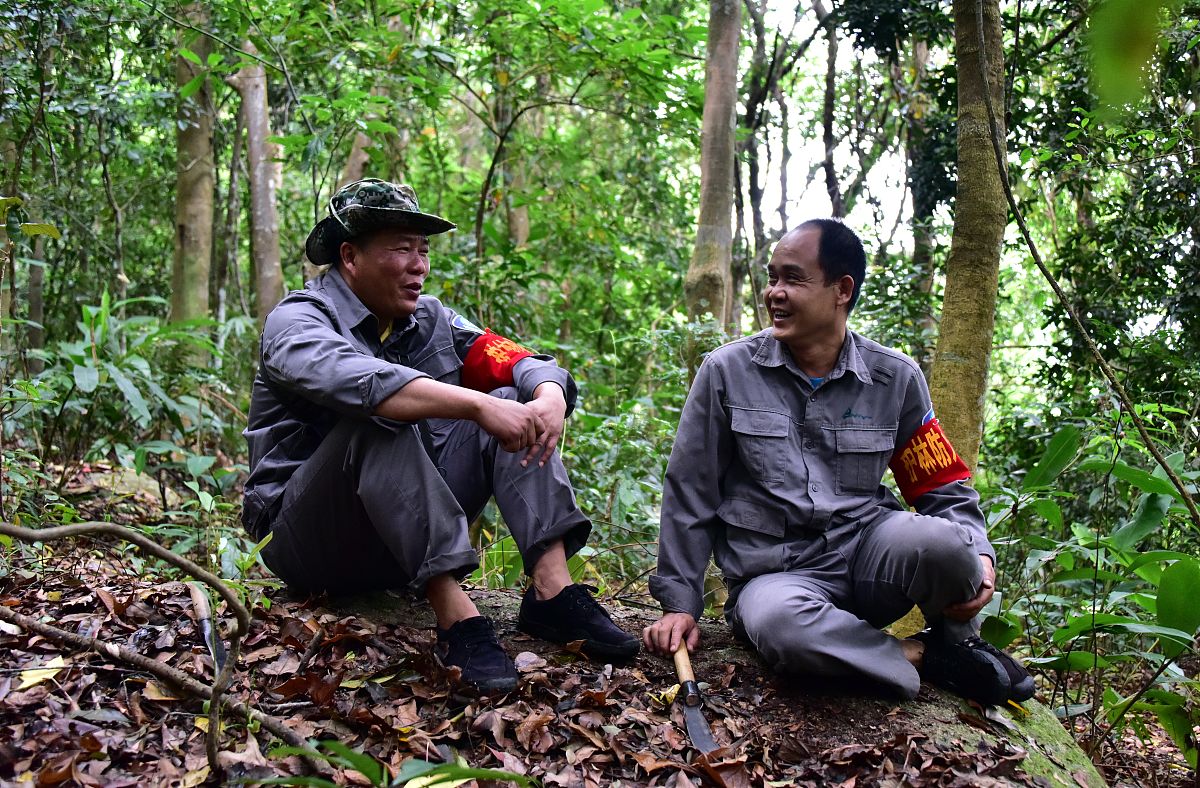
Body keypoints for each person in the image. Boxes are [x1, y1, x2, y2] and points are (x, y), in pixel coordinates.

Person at [242, 178, 638, 693]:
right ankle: (456, 615)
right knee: (383, 416)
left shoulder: (429, 318)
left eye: (423, 251)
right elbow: (359, 382)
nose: (419, 266)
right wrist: (475, 404)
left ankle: (552, 593)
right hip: (308, 540)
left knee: (513, 402)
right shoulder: (299, 318)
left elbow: (509, 357)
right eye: (401, 249)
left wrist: (548, 393)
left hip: (393, 542)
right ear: (350, 256)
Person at [641, 219, 1034, 707]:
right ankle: (923, 657)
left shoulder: (894, 378)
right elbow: (690, 493)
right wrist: (681, 603)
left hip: (868, 557)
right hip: (775, 578)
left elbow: (942, 488)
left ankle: (961, 643)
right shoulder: (726, 372)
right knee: (783, 627)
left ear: (841, 290)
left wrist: (981, 558)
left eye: (793, 279)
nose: (774, 294)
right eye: (772, 278)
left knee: (948, 542)